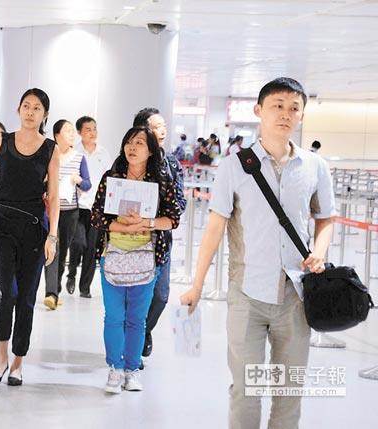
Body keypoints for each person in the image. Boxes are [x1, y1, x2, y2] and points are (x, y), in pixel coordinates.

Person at [180, 77, 335, 429]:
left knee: (289, 391)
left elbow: (325, 219)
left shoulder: (315, 166)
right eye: (277, 106)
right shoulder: (234, 166)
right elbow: (215, 229)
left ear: (302, 115)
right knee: (246, 390)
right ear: (259, 110)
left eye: (294, 108)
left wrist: (319, 251)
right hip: (247, 294)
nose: (285, 114)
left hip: (296, 296)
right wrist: (197, 284)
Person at [91, 126, 181, 393]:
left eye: (140, 143)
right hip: (113, 256)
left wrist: (147, 223)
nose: (132, 147)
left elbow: (173, 219)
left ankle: (131, 370)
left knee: (137, 319)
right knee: (114, 317)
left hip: (147, 258)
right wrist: (124, 227)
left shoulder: (161, 181)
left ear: (151, 150)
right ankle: (114, 368)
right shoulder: (112, 177)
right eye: (129, 142)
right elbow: (97, 216)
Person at [0, 88, 59, 386]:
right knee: (6, 292)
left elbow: (54, 196)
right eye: (26, 106)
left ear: (44, 115)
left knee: (26, 298)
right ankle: (1, 357)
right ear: (18, 109)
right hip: (1, 225)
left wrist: (53, 236)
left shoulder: (50, 148)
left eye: (37, 108)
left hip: (34, 229)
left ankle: (17, 362)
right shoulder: (2, 140)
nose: (30, 112)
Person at [132, 108, 186, 360]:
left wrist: (164, 215)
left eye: (163, 125)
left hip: (161, 239)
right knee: (135, 296)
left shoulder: (172, 163)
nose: (162, 131)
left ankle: (144, 330)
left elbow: (180, 201)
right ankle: (133, 343)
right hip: (132, 239)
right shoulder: (130, 161)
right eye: (156, 127)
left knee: (161, 295)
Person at [43, 119, 91, 309]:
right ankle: (51, 293)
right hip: (50, 212)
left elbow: (87, 184)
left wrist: (78, 180)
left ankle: (56, 289)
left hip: (71, 212)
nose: (72, 134)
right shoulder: (49, 155)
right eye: (68, 131)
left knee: (62, 253)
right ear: (57, 135)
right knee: (51, 249)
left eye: (73, 131)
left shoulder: (79, 158)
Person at [67, 116, 112, 299]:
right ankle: (71, 273)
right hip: (77, 206)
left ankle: (85, 287)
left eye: (94, 129)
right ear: (79, 132)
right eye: (88, 129)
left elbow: (110, 179)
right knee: (78, 243)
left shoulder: (104, 153)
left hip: (97, 208)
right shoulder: (74, 152)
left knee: (92, 249)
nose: (92, 133)